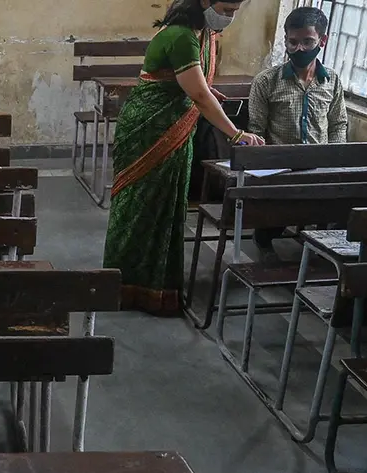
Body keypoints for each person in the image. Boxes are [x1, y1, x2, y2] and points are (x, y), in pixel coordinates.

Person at [102, 0, 265, 316]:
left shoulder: (201, 33)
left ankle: (154, 287)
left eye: (235, 10)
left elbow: (192, 84)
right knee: (140, 207)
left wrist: (203, 89)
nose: (230, 17)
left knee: (166, 206)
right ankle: (123, 285)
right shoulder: (181, 36)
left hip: (175, 128)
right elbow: (199, 95)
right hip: (152, 131)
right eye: (226, 9)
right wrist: (236, 134)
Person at [248, 6, 347, 260]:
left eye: (307, 42)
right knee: (277, 215)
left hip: (318, 166)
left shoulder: (332, 81)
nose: (299, 49)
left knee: (342, 207)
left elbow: (338, 124)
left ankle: (320, 244)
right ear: (285, 40)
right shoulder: (266, 81)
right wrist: (265, 164)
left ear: (322, 41)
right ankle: (265, 237)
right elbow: (256, 130)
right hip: (280, 168)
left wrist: (335, 162)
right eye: (292, 42)